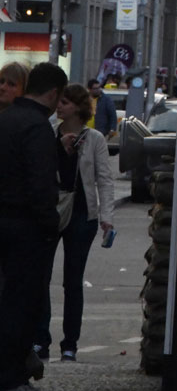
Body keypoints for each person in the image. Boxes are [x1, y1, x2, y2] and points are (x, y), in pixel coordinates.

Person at [0, 60, 67, 391]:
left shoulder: (6, 120)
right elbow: (42, 187)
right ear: (54, 94)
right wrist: (48, 226)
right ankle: (10, 382)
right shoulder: (38, 129)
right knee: (22, 306)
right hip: (24, 228)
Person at [34, 84, 115, 364]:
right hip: (52, 211)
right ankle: (39, 340)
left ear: (79, 108)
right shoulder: (49, 133)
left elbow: (104, 179)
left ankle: (70, 344)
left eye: (66, 102)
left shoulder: (94, 139)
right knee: (41, 277)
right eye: (60, 101)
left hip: (83, 214)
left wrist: (107, 217)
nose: (60, 106)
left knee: (73, 281)